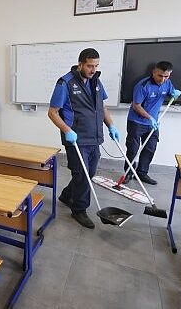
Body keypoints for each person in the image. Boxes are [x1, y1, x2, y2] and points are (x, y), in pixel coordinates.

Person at [48, 48, 120, 229]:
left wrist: (111, 125)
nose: (93, 70)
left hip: (94, 137)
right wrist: (67, 130)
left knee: (90, 172)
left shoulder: (96, 81)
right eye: (89, 66)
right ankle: (79, 209)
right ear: (80, 64)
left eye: (96, 66)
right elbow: (52, 112)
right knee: (83, 175)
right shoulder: (65, 83)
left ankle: (67, 195)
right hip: (76, 139)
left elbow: (102, 107)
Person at [123, 61, 181, 185]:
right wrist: (149, 118)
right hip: (136, 122)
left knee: (150, 148)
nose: (163, 79)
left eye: (166, 76)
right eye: (160, 75)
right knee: (133, 149)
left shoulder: (167, 83)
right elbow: (136, 106)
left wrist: (175, 94)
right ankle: (128, 173)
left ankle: (142, 173)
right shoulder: (143, 85)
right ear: (154, 72)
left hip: (153, 124)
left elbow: (172, 94)